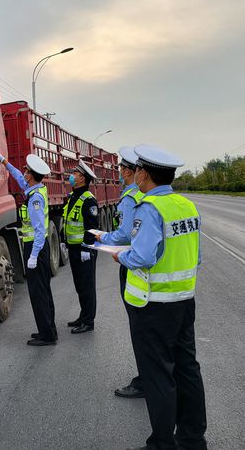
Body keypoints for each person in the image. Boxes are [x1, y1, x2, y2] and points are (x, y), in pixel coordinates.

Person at [114, 144, 207, 450]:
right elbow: (196, 257)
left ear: (144, 174)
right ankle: (193, 440)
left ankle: (163, 444)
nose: (135, 175)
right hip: (184, 302)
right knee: (187, 369)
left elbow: (140, 257)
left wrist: (120, 256)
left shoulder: (149, 209)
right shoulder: (187, 206)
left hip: (153, 305)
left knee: (158, 376)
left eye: (137, 170)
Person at [95, 147, 145, 398]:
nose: (119, 173)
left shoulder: (130, 197)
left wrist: (103, 237)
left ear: (126, 171)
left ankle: (144, 381)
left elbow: (124, 233)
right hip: (143, 266)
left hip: (131, 264)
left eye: (120, 169)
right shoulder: (143, 196)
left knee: (139, 327)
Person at [0, 150, 57, 346]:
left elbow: (39, 231)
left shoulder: (35, 199)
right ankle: (48, 330)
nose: (24, 173)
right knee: (43, 291)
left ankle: (47, 335)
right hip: (38, 248)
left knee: (39, 293)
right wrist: (3, 161)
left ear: (31, 175)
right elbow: (18, 177)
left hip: (36, 248)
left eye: (26, 171)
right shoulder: (36, 188)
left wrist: (33, 256)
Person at [62, 159, 99, 334]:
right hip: (74, 248)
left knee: (87, 286)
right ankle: (83, 316)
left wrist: (86, 247)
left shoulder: (88, 200)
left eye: (75, 173)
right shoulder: (73, 197)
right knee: (79, 286)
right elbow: (69, 222)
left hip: (84, 250)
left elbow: (92, 227)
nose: (72, 176)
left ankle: (88, 321)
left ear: (82, 178)